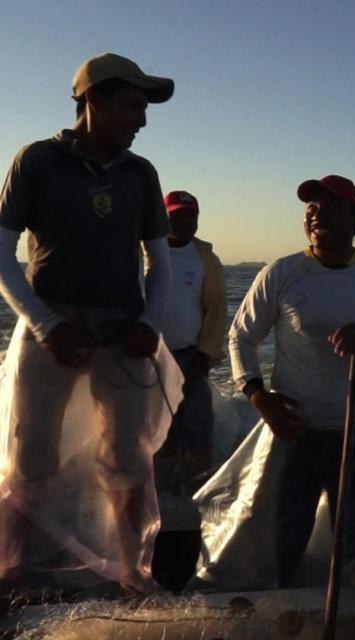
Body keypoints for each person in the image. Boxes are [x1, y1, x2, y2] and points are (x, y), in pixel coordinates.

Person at [0, 53, 178, 595]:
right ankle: (8, 571)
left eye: (143, 110)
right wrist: (47, 324)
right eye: (131, 106)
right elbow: (2, 255)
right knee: (29, 460)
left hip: (124, 331)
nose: (141, 121)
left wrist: (150, 322)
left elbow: (160, 264)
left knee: (128, 460)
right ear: (91, 101)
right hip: (48, 329)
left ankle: (133, 576)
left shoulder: (141, 173)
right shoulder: (36, 161)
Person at [229, 175, 355, 587]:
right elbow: (241, 336)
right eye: (311, 208)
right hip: (293, 431)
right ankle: (286, 615)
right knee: (283, 538)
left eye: (331, 205)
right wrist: (258, 396)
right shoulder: (281, 273)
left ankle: (354, 613)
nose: (317, 214)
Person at [156, 190, 227, 495]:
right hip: (149, 359)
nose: (183, 220)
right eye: (176, 214)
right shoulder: (143, 252)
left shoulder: (206, 259)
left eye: (189, 215)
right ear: (163, 216)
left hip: (191, 358)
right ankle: (158, 495)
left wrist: (206, 352)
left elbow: (218, 309)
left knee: (198, 426)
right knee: (157, 431)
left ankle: (197, 498)